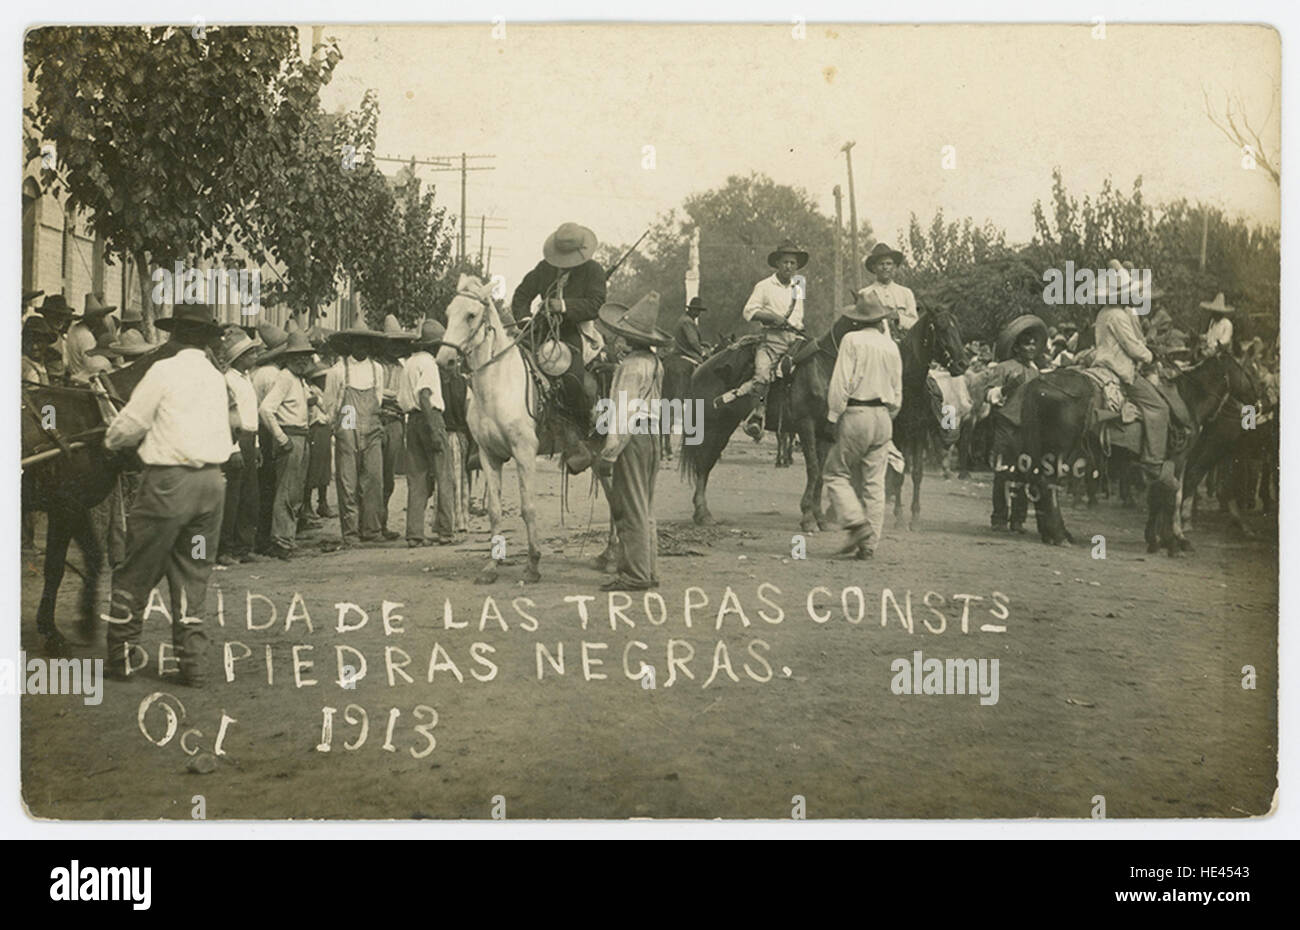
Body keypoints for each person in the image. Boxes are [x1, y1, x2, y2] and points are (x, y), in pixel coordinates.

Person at [102, 302, 231, 686]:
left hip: (168, 488)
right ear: (206, 338)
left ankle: (121, 656)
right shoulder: (214, 376)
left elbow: (131, 424)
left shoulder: (164, 370)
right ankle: (193, 664)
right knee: (193, 572)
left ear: (173, 336)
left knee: (137, 568)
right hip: (210, 489)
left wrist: (111, 439)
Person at [510, 222, 607, 470]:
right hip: (542, 330)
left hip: (575, 332)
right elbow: (521, 295)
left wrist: (563, 306)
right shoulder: (544, 269)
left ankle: (579, 440)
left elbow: (595, 304)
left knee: (573, 377)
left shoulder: (594, 271)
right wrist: (523, 320)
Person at [594, 293, 669, 591]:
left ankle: (635, 574)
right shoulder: (654, 362)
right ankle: (648, 570)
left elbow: (623, 412)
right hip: (651, 434)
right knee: (646, 506)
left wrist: (609, 453)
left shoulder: (630, 366)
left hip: (633, 437)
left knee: (632, 505)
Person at [823, 291, 903, 559]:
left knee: (835, 473)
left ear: (856, 320)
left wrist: (834, 416)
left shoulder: (851, 340)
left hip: (857, 412)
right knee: (874, 483)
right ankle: (869, 545)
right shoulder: (891, 346)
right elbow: (897, 390)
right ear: (881, 320)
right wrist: (888, 415)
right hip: (883, 415)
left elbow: (840, 383)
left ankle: (856, 524)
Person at [1093, 266, 1182, 484]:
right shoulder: (1120, 315)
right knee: (1158, 408)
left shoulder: (1103, 313)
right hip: (1121, 370)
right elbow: (1133, 348)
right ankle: (1153, 462)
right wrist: (1150, 356)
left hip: (1102, 364)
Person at [724, 240, 809, 440]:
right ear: (777, 263)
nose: (789, 266)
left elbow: (799, 313)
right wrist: (771, 317)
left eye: (793, 263)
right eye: (785, 262)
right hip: (771, 340)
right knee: (762, 375)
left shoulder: (800, 284)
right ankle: (757, 415)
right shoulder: (764, 286)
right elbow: (748, 311)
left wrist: (796, 325)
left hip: (795, 340)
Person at [323, 325, 389, 547]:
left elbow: (378, 399)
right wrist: (338, 430)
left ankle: (371, 529)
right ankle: (350, 532)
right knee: (348, 481)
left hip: (371, 425)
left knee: (373, 479)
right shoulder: (338, 370)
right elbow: (330, 403)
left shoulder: (377, 369)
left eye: (366, 343)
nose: (362, 347)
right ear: (349, 345)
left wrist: (370, 422)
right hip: (347, 424)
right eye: (357, 342)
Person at [258, 330, 317, 559]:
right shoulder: (284, 377)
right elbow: (265, 409)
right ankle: (281, 540)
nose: (303, 361)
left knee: (295, 491)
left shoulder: (298, 380)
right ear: (288, 358)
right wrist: (281, 438)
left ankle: (288, 537)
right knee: (286, 490)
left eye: (306, 356)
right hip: (291, 436)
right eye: (297, 357)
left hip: (302, 435)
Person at [988, 315, 1046, 531]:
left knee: (1024, 473)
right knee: (1002, 472)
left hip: (1028, 429)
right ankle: (999, 517)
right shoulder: (1003, 368)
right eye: (1026, 343)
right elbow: (988, 395)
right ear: (1017, 347)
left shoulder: (1036, 371)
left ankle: (1018, 519)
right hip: (1006, 424)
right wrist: (1005, 389)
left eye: (1033, 344)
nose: (1030, 348)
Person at [399, 319, 453, 547]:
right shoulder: (430, 364)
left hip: (412, 421)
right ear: (434, 346)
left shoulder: (409, 363)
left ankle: (414, 533)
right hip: (430, 418)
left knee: (417, 478)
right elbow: (424, 395)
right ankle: (445, 531)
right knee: (444, 476)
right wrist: (433, 430)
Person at [218, 327, 263, 565]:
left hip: (249, 437)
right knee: (232, 496)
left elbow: (251, 414)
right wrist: (233, 448)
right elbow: (227, 416)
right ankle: (226, 548)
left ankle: (244, 546)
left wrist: (254, 445)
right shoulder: (227, 380)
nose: (255, 357)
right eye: (251, 353)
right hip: (233, 439)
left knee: (249, 496)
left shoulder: (247, 379)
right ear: (240, 357)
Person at [251, 323, 289, 553]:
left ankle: (261, 536)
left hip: (259, 429)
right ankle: (266, 538)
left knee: (263, 485)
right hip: (267, 430)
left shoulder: (258, 373)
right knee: (270, 485)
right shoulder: (274, 375)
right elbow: (269, 410)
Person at [379, 315, 415, 539]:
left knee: (388, 476)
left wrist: (388, 396)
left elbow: (403, 397)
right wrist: (390, 396)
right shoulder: (375, 366)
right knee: (372, 475)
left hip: (395, 422)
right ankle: (370, 524)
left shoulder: (402, 369)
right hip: (376, 420)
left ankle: (381, 523)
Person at [858, 242, 917, 336]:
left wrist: (898, 318)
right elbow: (860, 325)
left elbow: (915, 324)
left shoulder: (906, 293)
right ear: (874, 267)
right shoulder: (864, 293)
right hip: (875, 345)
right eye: (881, 264)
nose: (885, 267)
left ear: (894, 267)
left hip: (903, 345)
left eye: (888, 264)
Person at [64, 294, 117, 380]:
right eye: (98, 317)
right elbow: (94, 365)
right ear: (90, 318)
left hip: (77, 374)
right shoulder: (85, 335)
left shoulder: (74, 328)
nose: (101, 320)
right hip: (84, 380)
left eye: (102, 316)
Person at [22, 315, 58, 385]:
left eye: (39, 341)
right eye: (30, 342)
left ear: (46, 342)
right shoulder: (26, 366)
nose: (34, 347)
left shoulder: (40, 364)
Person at [672, 296, 709, 363]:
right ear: (691, 309)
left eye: (699, 311)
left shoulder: (683, 319)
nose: (698, 313)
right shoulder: (687, 321)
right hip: (686, 352)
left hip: (681, 350)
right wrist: (702, 352)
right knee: (706, 365)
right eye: (696, 310)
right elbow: (693, 341)